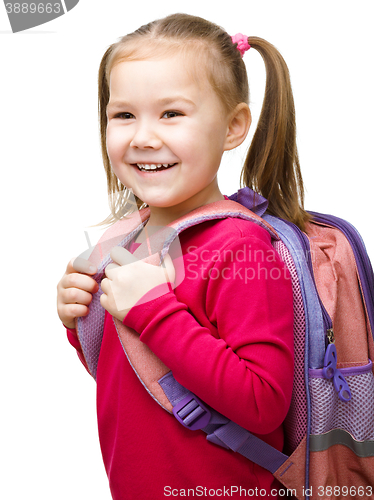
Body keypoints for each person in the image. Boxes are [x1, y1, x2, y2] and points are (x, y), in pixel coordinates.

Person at [56, 13, 306, 499]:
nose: (144, 136)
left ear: (233, 127)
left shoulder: (240, 248)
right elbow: (141, 377)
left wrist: (153, 311)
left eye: (172, 114)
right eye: (123, 115)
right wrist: (80, 318)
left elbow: (262, 402)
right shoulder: (128, 236)